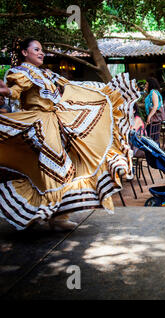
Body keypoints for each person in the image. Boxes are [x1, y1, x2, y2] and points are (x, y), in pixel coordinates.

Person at [0, 38, 138, 231]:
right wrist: (7, 91)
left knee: (67, 167)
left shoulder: (45, 74)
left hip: (56, 124)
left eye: (42, 50)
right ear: (24, 52)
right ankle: (45, 214)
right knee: (57, 170)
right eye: (36, 49)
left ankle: (54, 215)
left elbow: (70, 88)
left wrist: (102, 93)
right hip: (39, 125)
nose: (41, 53)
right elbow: (15, 91)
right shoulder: (20, 73)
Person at [144, 77, 164, 143]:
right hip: (154, 118)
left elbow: (155, 106)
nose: (145, 85)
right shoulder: (154, 92)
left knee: (151, 139)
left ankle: (153, 152)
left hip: (153, 118)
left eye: (147, 84)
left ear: (151, 84)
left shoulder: (153, 92)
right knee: (153, 138)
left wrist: (149, 117)